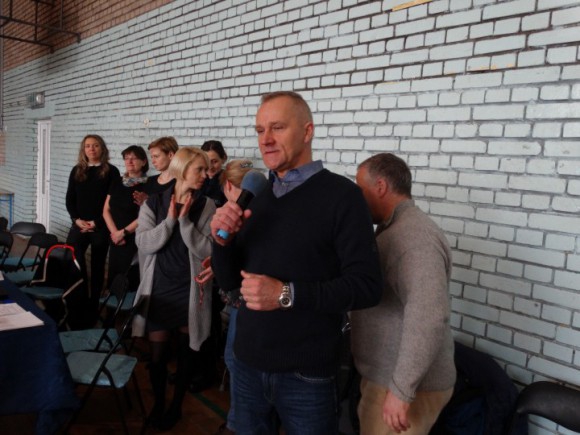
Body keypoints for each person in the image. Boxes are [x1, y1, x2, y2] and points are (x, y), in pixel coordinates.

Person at [210, 91, 382, 434]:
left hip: (307, 374)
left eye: (277, 127)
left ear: (307, 131)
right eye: (260, 130)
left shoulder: (342, 197)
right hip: (246, 363)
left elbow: (367, 286)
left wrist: (285, 294)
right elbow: (230, 283)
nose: (266, 140)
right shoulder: (255, 196)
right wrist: (221, 242)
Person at [350, 153, 456, 435]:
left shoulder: (414, 238)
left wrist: (402, 391)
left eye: (360, 188)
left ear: (381, 186)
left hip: (404, 388)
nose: (357, 198)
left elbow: (428, 317)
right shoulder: (397, 229)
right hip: (390, 380)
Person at [132, 146, 216, 431]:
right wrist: (169, 221)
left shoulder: (207, 206)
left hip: (189, 290)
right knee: (157, 358)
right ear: (182, 170)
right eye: (199, 169)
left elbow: (208, 250)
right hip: (159, 288)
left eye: (206, 170)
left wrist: (185, 222)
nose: (205, 175)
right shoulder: (154, 203)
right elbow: (144, 243)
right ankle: (158, 403)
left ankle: (176, 407)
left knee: (185, 356)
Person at [213, 159, 254, 435]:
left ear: (228, 185)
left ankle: (238, 423)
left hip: (245, 301)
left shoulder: (238, 216)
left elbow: (231, 275)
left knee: (236, 362)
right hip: (247, 299)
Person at [66, 134, 120, 326]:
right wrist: (77, 220)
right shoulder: (77, 170)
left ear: (102, 148)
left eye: (95, 145)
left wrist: (96, 223)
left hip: (100, 226)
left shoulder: (111, 171)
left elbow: (113, 202)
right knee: (74, 261)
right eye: (88, 146)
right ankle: (77, 300)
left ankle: (93, 305)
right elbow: (70, 199)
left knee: (97, 267)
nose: (91, 149)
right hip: (79, 225)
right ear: (84, 149)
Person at [102, 145, 149, 290]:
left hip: (133, 238)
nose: (129, 161)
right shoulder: (117, 181)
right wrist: (115, 233)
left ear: (144, 162)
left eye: (134, 158)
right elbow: (106, 210)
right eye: (126, 158)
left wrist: (123, 233)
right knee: (114, 277)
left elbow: (145, 215)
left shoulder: (148, 185)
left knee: (130, 280)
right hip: (115, 238)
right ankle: (112, 303)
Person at [200, 140, 227, 207]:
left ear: (224, 158)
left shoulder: (228, 182)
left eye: (214, 161)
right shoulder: (195, 179)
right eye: (206, 161)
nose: (210, 167)